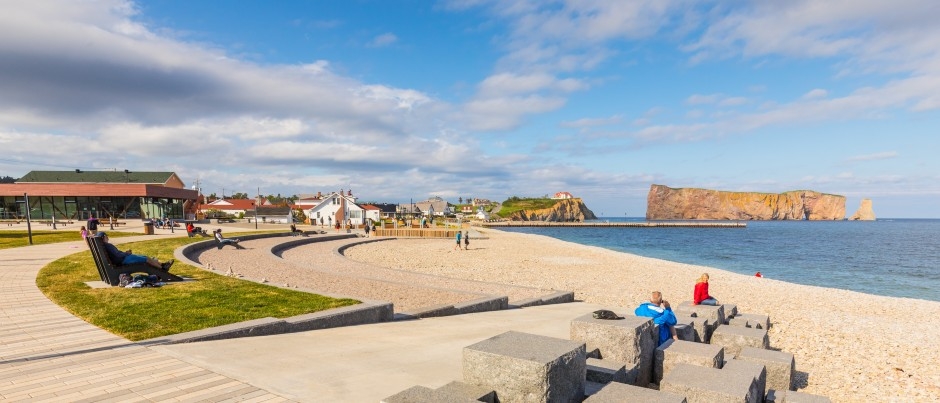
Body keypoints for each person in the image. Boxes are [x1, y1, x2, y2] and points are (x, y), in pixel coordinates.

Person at [97, 232, 174, 270]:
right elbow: (118, 255)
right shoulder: (108, 246)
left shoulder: (105, 246)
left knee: (145, 257)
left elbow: (117, 254)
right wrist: (126, 253)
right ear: (104, 237)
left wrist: (125, 253)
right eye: (107, 236)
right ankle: (162, 269)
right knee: (146, 259)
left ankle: (162, 265)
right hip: (124, 260)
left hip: (122, 259)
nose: (108, 238)